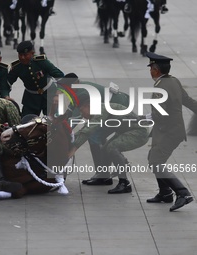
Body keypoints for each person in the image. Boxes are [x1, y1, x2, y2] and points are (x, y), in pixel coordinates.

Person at [54, 73, 131, 186]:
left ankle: (103, 175)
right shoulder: (76, 91)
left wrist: (61, 132)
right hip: (111, 108)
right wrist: (55, 122)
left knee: (94, 136)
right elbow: (69, 111)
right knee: (98, 136)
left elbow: (75, 118)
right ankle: (109, 170)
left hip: (119, 109)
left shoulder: (82, 92)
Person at [145, 52, 197, 211]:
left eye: (151, 68)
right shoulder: (174, 81)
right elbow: (187, 101)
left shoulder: (160, 87)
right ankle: (165, 193)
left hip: (168, 131)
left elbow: (159, 113)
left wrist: (143, 119)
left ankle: (183, 193)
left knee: (156, 161)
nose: (150, 71)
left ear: (155, 69)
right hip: (174, 130)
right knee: (153, 158)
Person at [68, 93, 149, 194]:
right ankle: (103, 177)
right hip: (125, 131)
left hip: (139, 132)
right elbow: (84, 129)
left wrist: (73, 149)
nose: (82, 115)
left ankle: (124, 183)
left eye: (81, 110)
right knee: (105, 148)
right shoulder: (97, 111)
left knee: (112, 147)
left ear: (88, 106)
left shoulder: (101, 109)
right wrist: (69, 139)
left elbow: (89, 130)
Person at [7, 40, 64, 117]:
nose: (23, 58)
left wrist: (58, 93)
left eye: (25, 55)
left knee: (55, 120)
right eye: (20, 55)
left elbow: (60, 76)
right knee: (26, 123)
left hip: (49, 94)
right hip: (31, 98)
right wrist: (6, 96)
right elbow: (7, 83)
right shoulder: (17, 67)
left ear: (32, 53)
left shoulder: (41, 62)